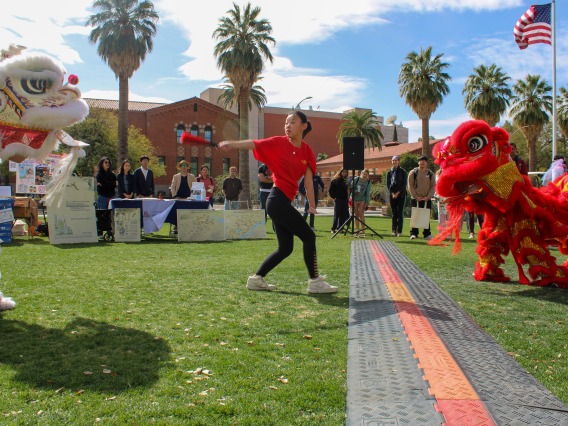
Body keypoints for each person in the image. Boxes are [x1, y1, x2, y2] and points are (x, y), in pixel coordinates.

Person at [218, 110, 338, 294]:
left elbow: (308, 182)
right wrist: (231, 143)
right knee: (309, 236)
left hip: (283, 202)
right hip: (276, 200)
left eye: (292, 122)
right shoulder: (277, 143)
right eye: (286, 122)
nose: (287, 126)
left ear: (304, 126)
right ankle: (315, 281)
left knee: (286, 248)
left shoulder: (307, 151)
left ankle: (256, 279)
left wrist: (312, 205)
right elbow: (253, 143)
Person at [408, 156, 436, 240]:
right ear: (418, 163)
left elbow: (433, 186)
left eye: (424, 161)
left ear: (426, 163)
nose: (422, 162)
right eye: (420, 161)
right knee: (415, 216)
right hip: (416, 198)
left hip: (426, 199)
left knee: (426, 216)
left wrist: (428, 196)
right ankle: (413, 233)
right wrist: (416, 196)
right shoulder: (413, 172)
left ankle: (427, 234)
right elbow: (410, 185)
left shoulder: (430, 173)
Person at [386, 156, 407, 237]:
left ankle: (399, 231)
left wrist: (397, 193)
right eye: (393, 160)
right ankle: (394, 230)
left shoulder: (403, 172)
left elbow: (404, 184)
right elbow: (388, 184)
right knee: (394, 213)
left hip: (401, 195)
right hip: (392, 195)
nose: (394, 162)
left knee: (400, 212)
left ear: (399, 161)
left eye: (396, 160)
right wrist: (392, 194)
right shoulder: (389, 172)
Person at [328, 169, 350, 233]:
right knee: (337, 214)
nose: (344, 173)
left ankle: (340, 228)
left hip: (344, 199)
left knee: (343, 214)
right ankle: (333, 229)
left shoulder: (346, 181)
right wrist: (333, 197)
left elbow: (348, 190)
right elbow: (330, 190)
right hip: (338, 199)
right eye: (343, 171)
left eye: (346, 172)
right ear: (340, 172)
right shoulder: (335, 180)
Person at [352, 169, 372, 238]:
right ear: (361, 174)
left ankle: (363, 231)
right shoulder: (356, 179)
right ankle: (357, 230)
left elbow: (368, 193)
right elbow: (351, 188)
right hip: (355, 198)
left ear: (368, 175)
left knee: (361, 214)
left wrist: (367, 202)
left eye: (366, 174)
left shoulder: (368, 182)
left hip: (362, 198)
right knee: (356, 214)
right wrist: (355, 191)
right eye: (363, 174)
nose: (364, 175)